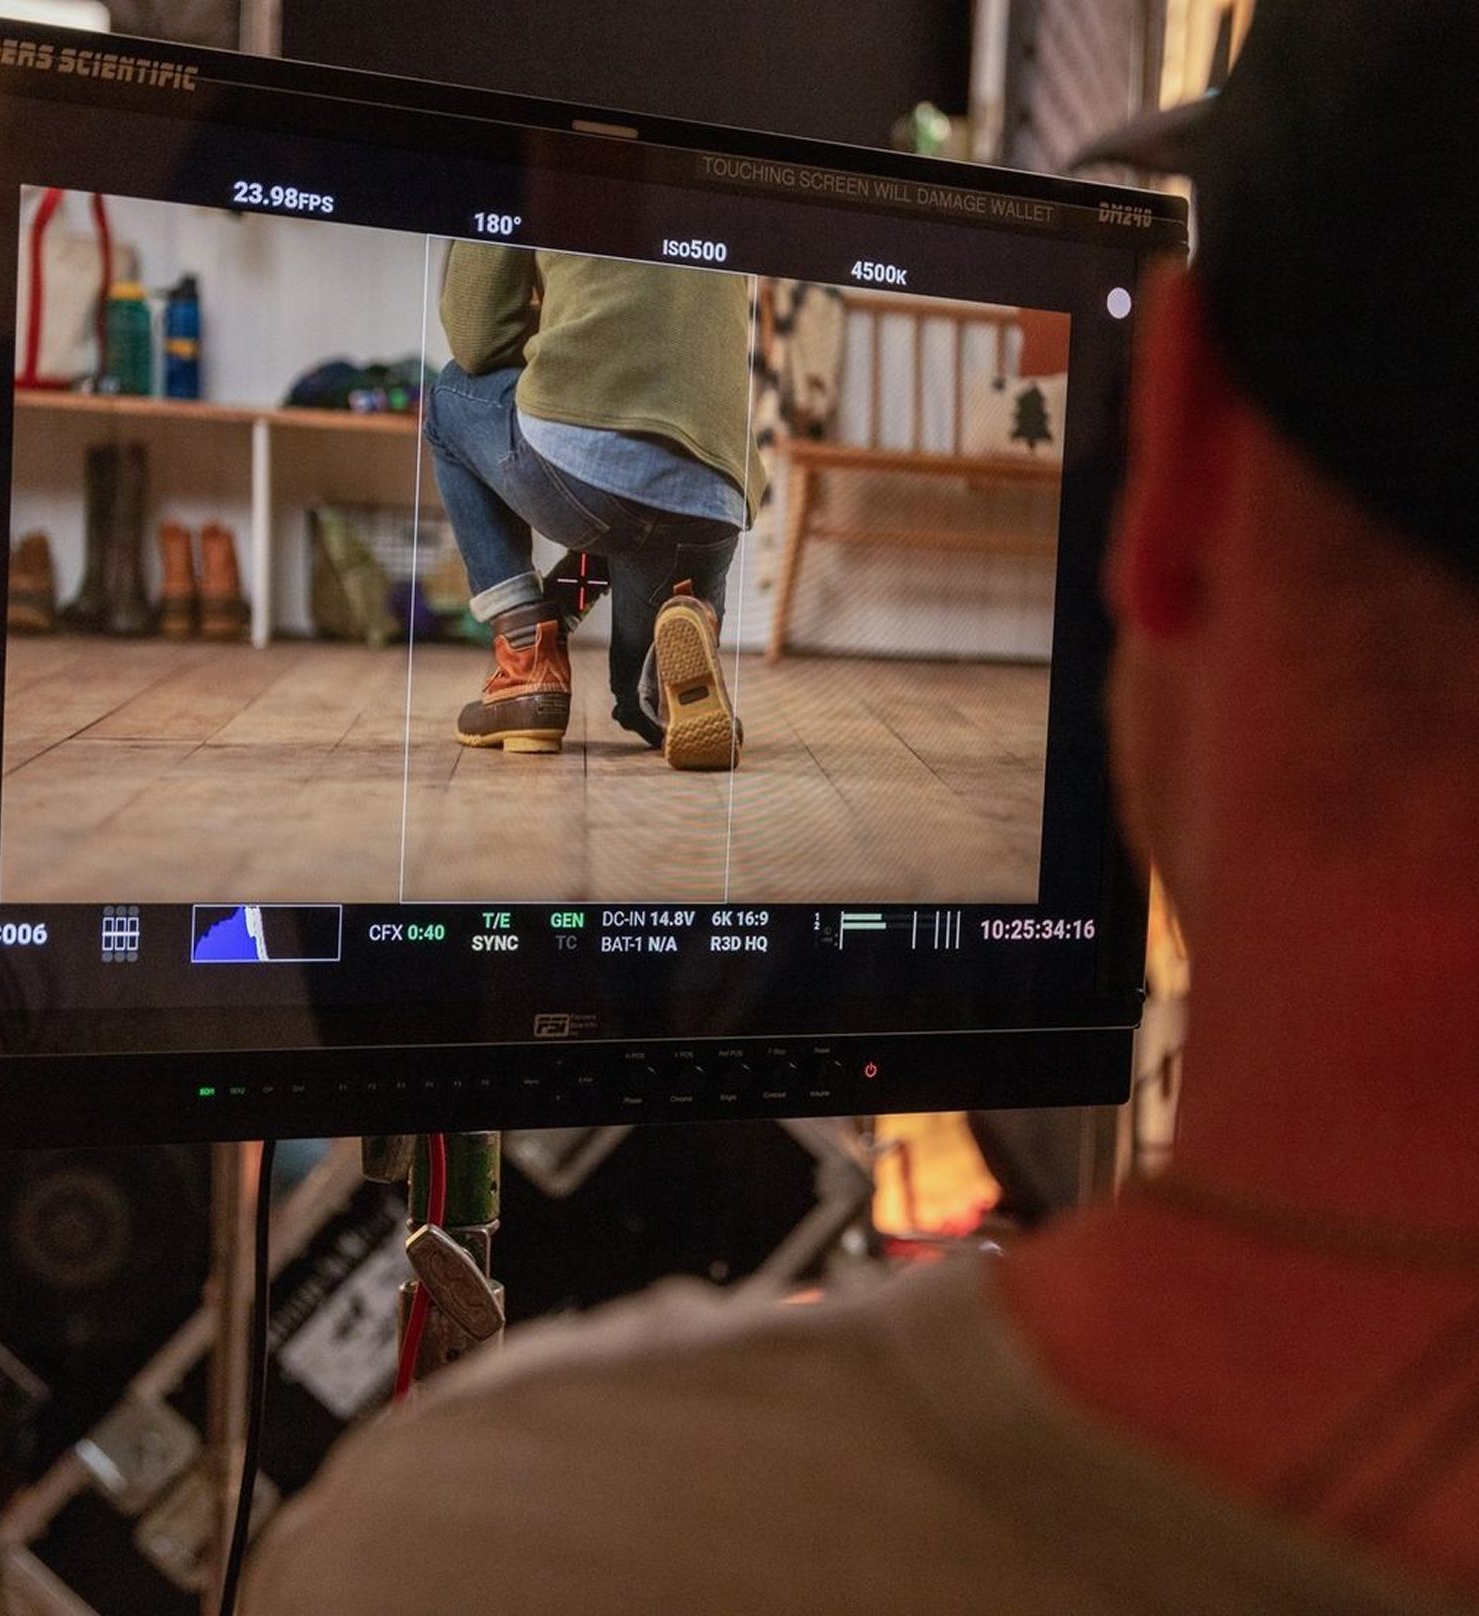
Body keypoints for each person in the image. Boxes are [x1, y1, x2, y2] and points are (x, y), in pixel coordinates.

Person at [245, 4, 1478, 1611]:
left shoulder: (477, 1546)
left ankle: (525, 649)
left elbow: (478, 325)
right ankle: (673, 625)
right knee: (661, 639)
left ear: (1165, 471)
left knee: (452, 401)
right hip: (712, 484)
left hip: (565, 445)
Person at [425, 244, 763, 768]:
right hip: (713, 493)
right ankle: (666, 684)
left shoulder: (522, 182)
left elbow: (477, 338)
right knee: (635, 700)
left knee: (450, 396)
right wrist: (562, 601)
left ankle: (526, 666)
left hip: (588, 473)